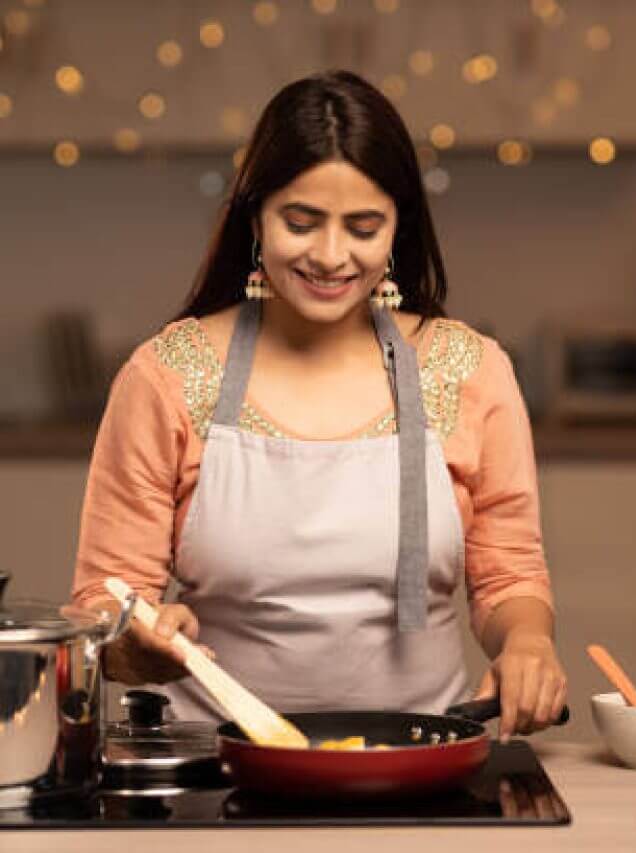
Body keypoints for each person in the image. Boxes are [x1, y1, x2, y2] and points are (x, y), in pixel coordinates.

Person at [72, 70, 567, 742]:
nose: (332, 256)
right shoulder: (165, 376)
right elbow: (105, 600)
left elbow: (508, 574)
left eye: (363, 227)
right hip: (217, 768)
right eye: (301, 222)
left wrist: (527, 643)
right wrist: (138, 641)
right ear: (255, 217)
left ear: (398, 228)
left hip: (420, 759)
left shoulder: (472, 370)